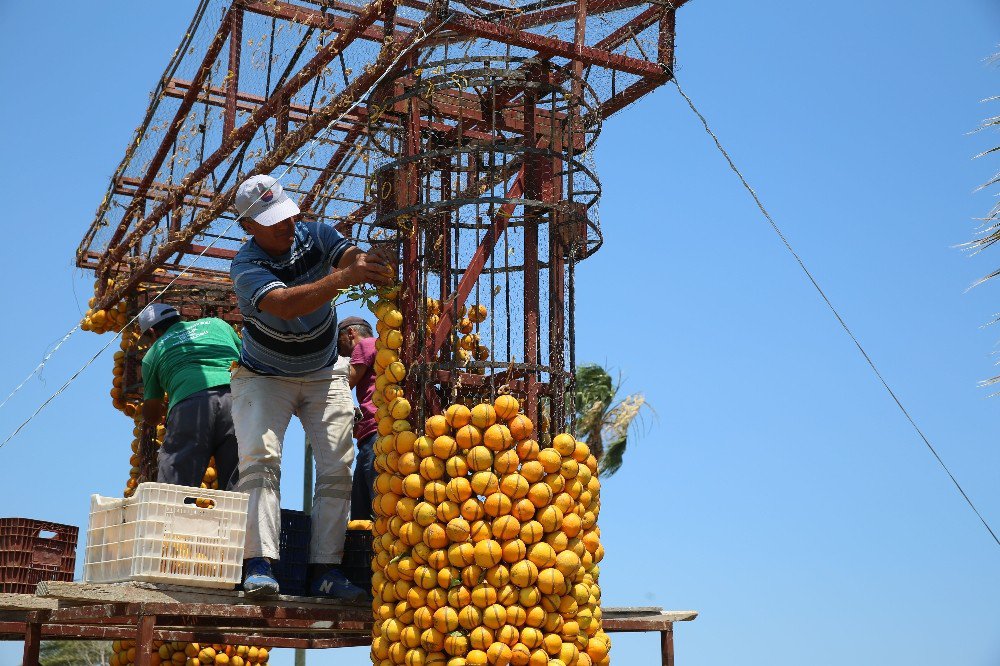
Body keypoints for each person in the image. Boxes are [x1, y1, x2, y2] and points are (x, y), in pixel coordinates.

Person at [228, 174, 393, 599]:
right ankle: (259, 564)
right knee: (260, 463)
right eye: (271, 220)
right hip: (264, 376)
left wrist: (368, 261)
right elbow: (286, 304)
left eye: (286, 213)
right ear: (248, 226)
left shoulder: (316, 234)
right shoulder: (246, 267)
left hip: (323, 371)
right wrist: (342, 279)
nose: (286, 224)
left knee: (337, 468)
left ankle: (327, 570)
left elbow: (348, 254)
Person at [139, 304, 242, 491]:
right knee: (240, 482)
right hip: (237, 399)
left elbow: (152, 415)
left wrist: (159, 410)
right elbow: (246, 356)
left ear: (152, 332)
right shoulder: (218, 324)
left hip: (190, 407)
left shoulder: (153, 353)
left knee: (175, 486)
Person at [336, 316, 378, 521]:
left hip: (375, 436)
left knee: (372, 508)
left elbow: (344, 384)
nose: (340, 351)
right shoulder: (381, 348)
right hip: (369, 436)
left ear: (351, 333)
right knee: (363, 513)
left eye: (339, 342)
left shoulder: (365, 345)